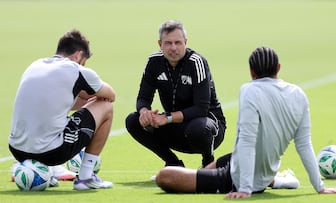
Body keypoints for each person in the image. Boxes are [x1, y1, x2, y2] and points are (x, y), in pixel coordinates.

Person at [155, 46, 336, 198]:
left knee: (164, 177)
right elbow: (304, 144)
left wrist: (245, 188)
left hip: (238, 178)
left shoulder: (249, 90)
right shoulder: (298, 93)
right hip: (249, 165)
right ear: (279, 68)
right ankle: (276, 179)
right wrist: (321, 187)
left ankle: (276, 180)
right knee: (210, 167)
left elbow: (247, 141)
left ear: (251, 71)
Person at [8, 29, 116, 190]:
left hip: (17, 150)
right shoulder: (76, 69)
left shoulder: (35, 65)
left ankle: (47, 173)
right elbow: (110, 95)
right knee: (106, 107)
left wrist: (83, 99)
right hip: (52, 153)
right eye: (84, 61)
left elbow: (54, 103)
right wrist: (90, 97)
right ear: (79, 55)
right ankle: (86, 177)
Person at [125, 20, 226, 168]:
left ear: (185, 42)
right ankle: (173, 164)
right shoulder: (154, 62)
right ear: (160, 44)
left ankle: (208, 163)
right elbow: (143, 98)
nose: (173, 48)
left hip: (207, 129)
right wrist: (145, 112)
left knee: (199, 128)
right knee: (133, 120)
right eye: (168, 43)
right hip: (174, 127)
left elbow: (201, 109)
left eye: (178, 42)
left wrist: (167, 118)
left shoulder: (196, 62)